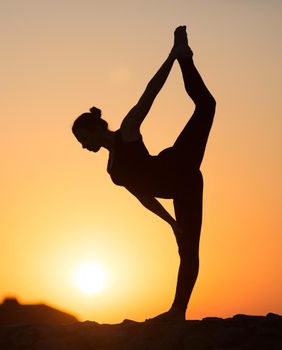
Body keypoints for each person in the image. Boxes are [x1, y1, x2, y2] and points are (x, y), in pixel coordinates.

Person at [72, 26, 216, 322]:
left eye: (83, 139)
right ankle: (178, 313)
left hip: (178, 163)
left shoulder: (127, 131)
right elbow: (144, 198)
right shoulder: (112, 170)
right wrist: (172, 223)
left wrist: (170, 58)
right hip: (183, 186)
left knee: (206, 105)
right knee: (187, 248)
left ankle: (182, 55)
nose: (84, 147)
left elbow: (150, 93)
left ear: (95, 130)